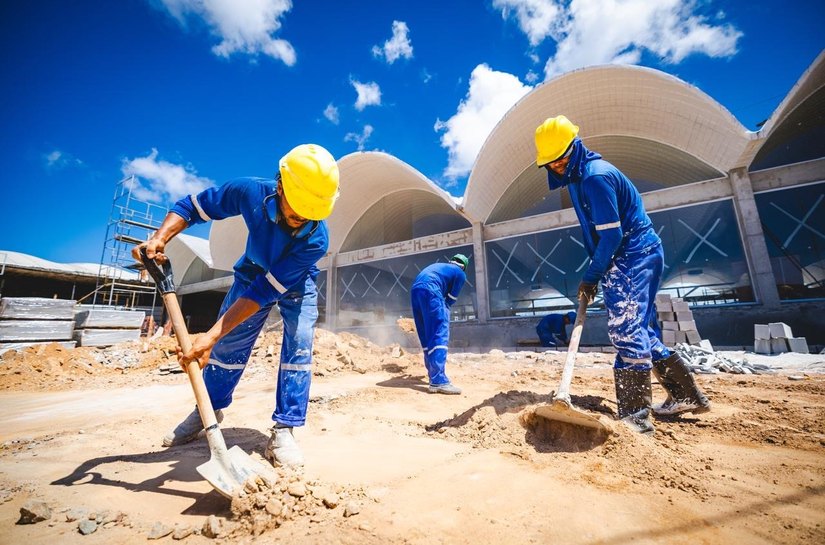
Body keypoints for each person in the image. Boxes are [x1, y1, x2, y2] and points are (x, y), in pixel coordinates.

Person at [132, 143, 339, 467]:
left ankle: (285, 429)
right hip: (251, 272)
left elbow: (265, 292)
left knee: (299, 345)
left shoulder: (316, 239)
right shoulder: (250, 192)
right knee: (228, 349)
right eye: (296, 211)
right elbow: (192, 207)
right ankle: (207, 410)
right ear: (281, 186)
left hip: (295, 284)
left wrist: (208, 336)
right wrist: (160, 238)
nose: (301, 222)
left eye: (310, 216)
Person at [534, 115, 710, 434]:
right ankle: (686, 394)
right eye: (551, 163)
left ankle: (635, 418)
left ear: (574, 147)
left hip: (634, 253)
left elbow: (612, 236)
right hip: (621, 256)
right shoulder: (575, 177)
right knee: (638, 329)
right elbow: (602, 234)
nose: (557, 167)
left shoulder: (594, 177)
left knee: (626, 330)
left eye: (561, 159)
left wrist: (591, 275)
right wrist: (599, 271)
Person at [410, 254, 469, 394]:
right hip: (432, 290)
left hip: (415, 290)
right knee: (439, 334)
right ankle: (438, 381)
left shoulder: (441, 267)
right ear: (464, 267)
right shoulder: (460, 273)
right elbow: (451, 299)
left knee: (425, 333)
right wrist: (443, 311)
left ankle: (432, 373)